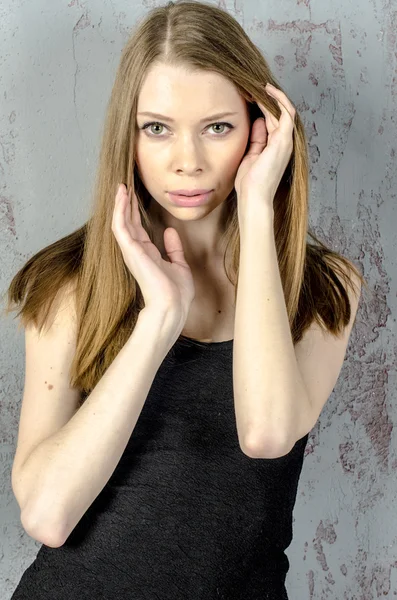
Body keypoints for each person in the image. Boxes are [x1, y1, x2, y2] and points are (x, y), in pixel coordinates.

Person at [5, 1, 367, 598]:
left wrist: (255, 207)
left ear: (260, 128)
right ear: (130, 134)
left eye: (217, 127)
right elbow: (47, 515)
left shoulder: (324, 290)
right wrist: (159, 322)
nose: (188, 161)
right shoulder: (68, 283)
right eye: (157, 127)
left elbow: (268, 434)